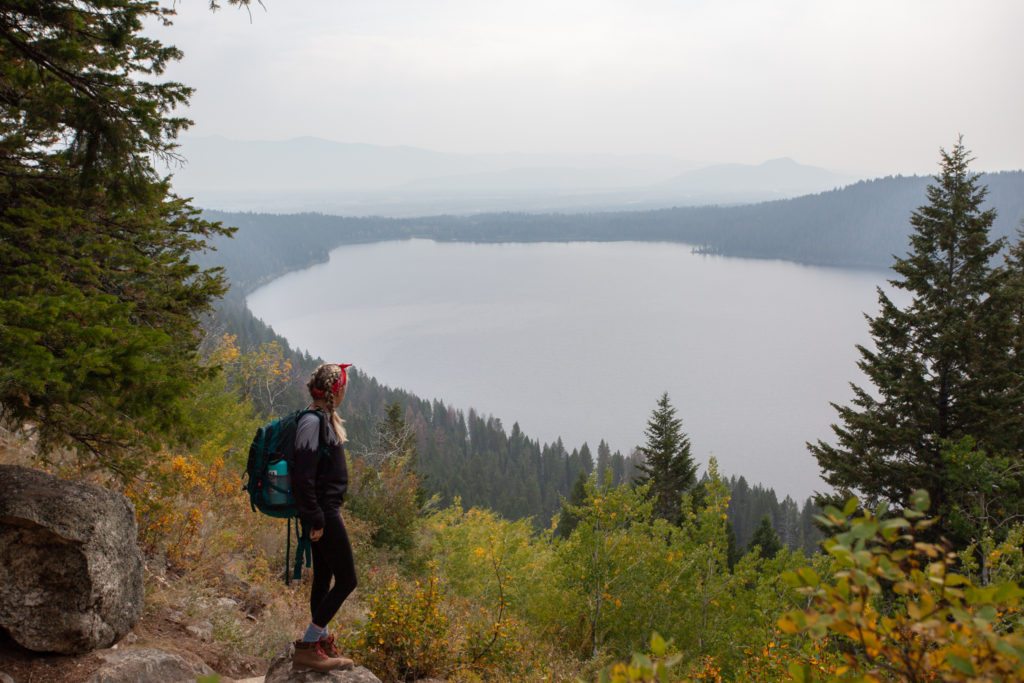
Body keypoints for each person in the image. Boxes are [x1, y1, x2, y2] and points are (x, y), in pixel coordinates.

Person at [290, 362, 358, 673]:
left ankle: (321, 642)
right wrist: (316, 519)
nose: (346, 391)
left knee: (324, 577)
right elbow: (303, 477)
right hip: (323, 513)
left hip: (325, 511)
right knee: (347, 579)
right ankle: (307, 645)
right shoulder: (312, 421)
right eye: (344, 386)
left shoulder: (324, 420)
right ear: (337, 390)